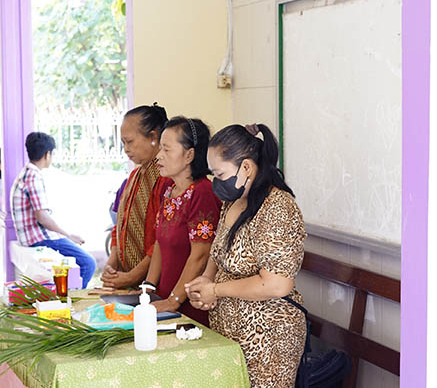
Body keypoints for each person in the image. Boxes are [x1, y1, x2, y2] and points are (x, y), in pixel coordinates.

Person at [185, 124, 308, 387]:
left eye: (220, 174)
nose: (216, 182)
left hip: (268, 340)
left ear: (247, 168)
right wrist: (205, 282)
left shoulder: (278, 207)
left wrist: (216, 290)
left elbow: (276, 284)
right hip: (229, 334)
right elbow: (218, 253)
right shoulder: (235, 200)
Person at [143, 117, 221, 325]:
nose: (159, 156)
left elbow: (201, 255)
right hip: (164, 301)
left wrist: (174, 300)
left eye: (166, 150)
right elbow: (160, 242)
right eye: (160, 148)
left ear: (189, 155)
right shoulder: (168, 189)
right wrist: (149, 288)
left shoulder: (202, 192)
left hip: (190, 306)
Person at [10, 132, 96, 287]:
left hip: (35, 237)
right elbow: (42, 216)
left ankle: (68, 297)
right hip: (39, 238)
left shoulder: (26, 174)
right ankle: (72, 301)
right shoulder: (33, 176)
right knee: (88, 263)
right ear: (47, 154)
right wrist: (69, 236)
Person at [101, 104, 169, 289]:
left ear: (154, 137)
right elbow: (120, 227)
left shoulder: (167, 180)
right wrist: (111, 264)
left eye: (129, 142)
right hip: (129, 281)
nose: (126, 149)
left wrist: (133, 276)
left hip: (155, 285)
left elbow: (162, 240)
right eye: (123, 143)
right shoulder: (134, 176)